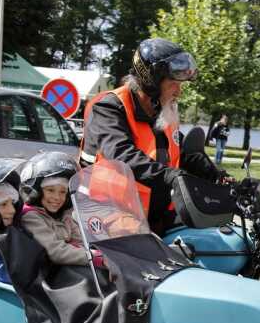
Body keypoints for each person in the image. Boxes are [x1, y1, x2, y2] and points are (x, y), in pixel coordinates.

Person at [82, 38, 223, 235]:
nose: (179, 92)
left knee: (212, 240)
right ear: (152, 81)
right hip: (110, 217)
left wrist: (218, 176)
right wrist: (171, 176)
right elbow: (121, 154)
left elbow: (183, 153)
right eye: (173, 84)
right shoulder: (110, 107)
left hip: (155, 217)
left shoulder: (161, 112)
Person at [19, 152, 104, 268]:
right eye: (50, 190)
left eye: (62, 192)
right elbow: (57, 252)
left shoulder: (65, 214)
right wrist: (98, 258)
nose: (57, 197)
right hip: (48, 275)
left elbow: (80, 239)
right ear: (36, 192)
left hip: (73, 270)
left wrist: (106, 251)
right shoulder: (31, 217)